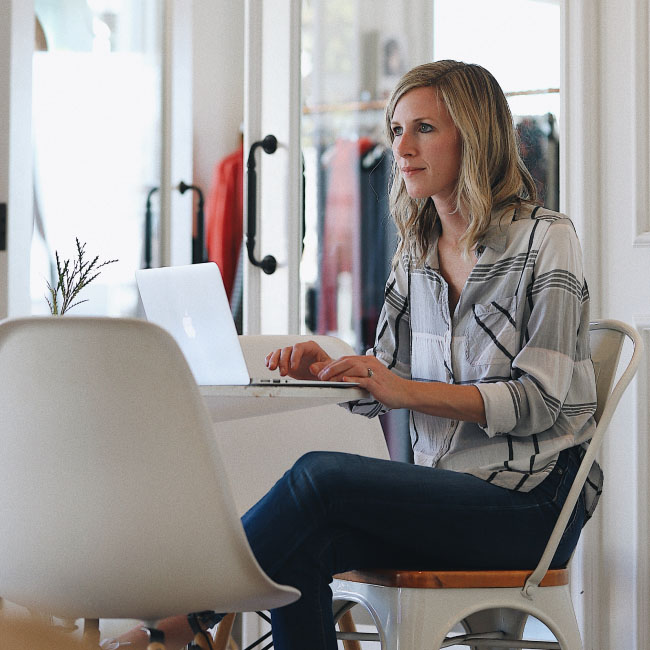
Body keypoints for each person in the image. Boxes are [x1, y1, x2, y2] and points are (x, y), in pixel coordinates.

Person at [116, 59, 598, 650]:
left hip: (531, 506)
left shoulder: (548, 238)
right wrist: (328, 367)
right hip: (448, 494)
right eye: (396, 130)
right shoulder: (417, 249)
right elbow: (384, 375)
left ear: (474, 136)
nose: (402, 147)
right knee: (300, 550)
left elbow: (540, 401)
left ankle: (178, 620)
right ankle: (184, 618)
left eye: (424, 128)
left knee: (321, 476)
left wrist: (402, 389)